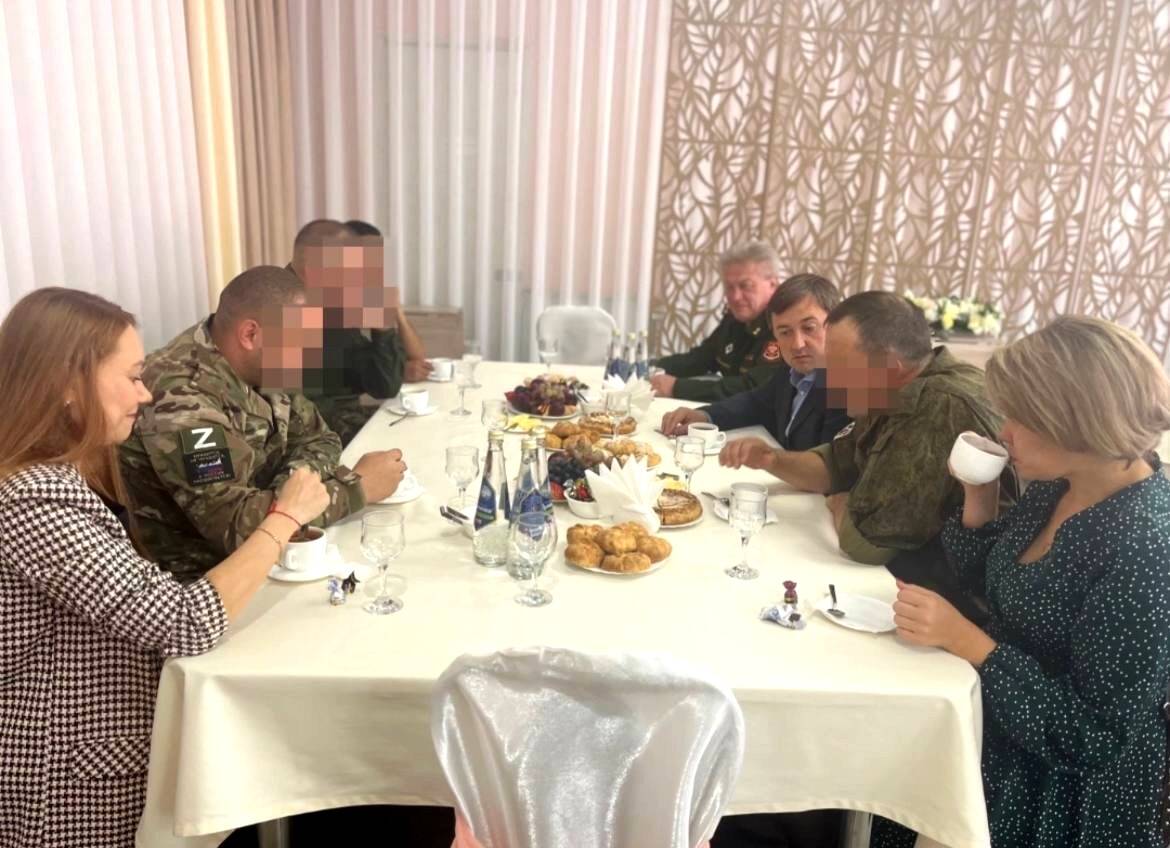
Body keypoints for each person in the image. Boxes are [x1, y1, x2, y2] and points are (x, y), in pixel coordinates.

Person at [0, 288, 330, 847]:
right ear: (66, 384)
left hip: (101, 749)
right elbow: (185, 620)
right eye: (132, 377)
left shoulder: (65, 472)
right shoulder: (36, 500)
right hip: (65, 788)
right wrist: (283, 519)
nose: (145, 392)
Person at [880, 316, 1170, 848]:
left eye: (1020, 417)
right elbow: (996, 585)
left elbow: (1093, 737)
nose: (1004, 432)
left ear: (1077, 421)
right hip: (988, 733)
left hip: (1055, 800)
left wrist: (971, 643)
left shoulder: (1147, 546)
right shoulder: (1059, 486)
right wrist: (979, 494)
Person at [119, 266, 407, 582]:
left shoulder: (263, 363)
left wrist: (287, 491)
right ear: (250, 335)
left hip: (274, 558)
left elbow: (320, 438)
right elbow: (237, 527)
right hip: (205, 582)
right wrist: (356, 489)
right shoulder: (181, 396)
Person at [721, 291, 1013, 568]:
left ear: (890, 368)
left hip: (954, 588)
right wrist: (772, 459)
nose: (831, 381)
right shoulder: (892, 386)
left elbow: (867, 543)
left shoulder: (937, 405)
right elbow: (837, 464)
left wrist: (841, 501)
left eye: (841, 368)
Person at [659, 274, 851, 451]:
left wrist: (768, 459)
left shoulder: (849, 384)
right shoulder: (791, 370)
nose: (797, 344)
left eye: (809, 328)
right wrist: (705, 416)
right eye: (785, 332)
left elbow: (829, 466)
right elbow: (755, 403)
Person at [292, 218, 432, 444]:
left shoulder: (332, 307)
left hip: (333, 426)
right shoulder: (288, 310)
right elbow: (301, 423)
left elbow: (385, 383)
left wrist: (384, 324)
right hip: (323, 436)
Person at [651, 241, 787, 402]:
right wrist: (650, 367)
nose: (735, 297)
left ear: (773, 284)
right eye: (729, 287)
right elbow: (701, 358)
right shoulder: (735, 319)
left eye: (746, 286)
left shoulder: (784, 326)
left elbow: (753, 388)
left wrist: (677, 387)